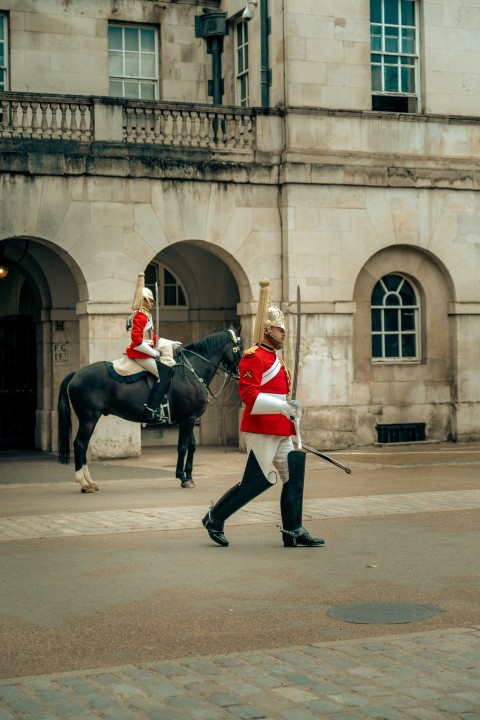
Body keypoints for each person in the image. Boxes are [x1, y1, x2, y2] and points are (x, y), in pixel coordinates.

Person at [202, 278, 325, 548]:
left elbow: (280, 395)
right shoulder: (252, 357)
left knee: (293, 475)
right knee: (256, 481)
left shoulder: (276, 360)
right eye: (280, 330)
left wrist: (292, 409)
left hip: (281, 427)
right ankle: (215, 517)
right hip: (260, 428)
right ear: (268, 330)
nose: (284, 334)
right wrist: (282, 406)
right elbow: (249, 396)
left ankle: (293, 529)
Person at [126, 274, 181, 422]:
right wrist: (154, 352)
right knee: (166, 373)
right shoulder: (140, 316)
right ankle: (152, 408)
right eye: (150, 301)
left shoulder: (145, 315)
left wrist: (170, 342)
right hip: (140, 354)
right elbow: (137, 340)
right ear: (143, 300)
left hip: (145, 352)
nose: (152, 303)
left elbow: (152, 338)